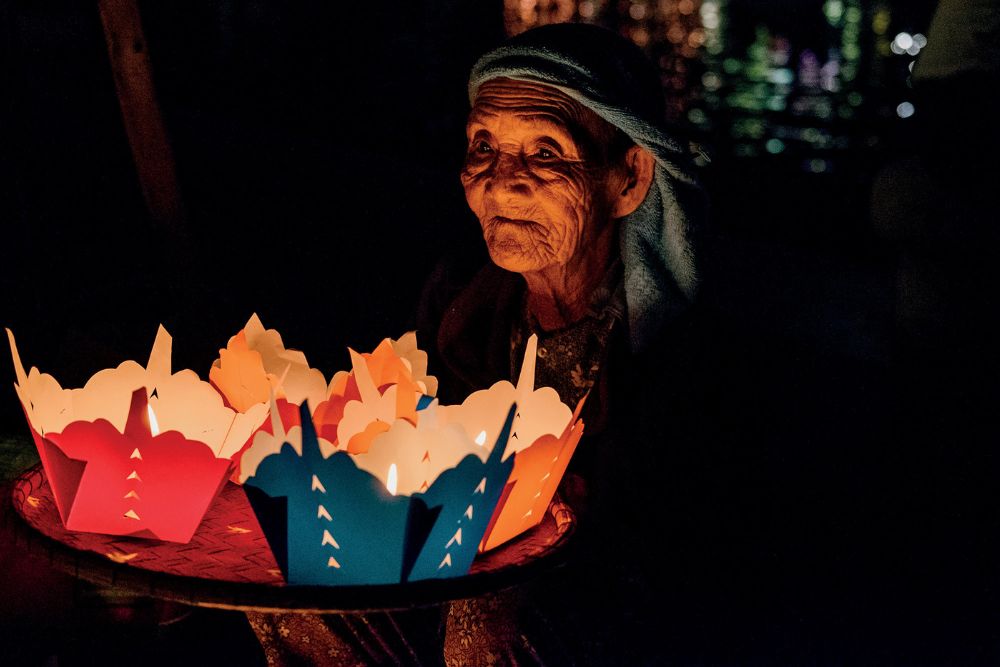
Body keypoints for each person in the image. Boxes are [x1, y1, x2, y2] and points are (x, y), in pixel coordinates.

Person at [249, 22, 707, 665]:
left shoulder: (679, 352)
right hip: (451, 581)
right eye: (483, 146)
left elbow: (674, 556)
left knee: (486, 616)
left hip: (608, 616)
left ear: (628, 178)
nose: (499, 183)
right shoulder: (462, 306)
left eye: (546, 154)